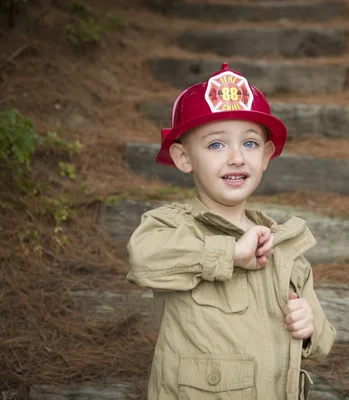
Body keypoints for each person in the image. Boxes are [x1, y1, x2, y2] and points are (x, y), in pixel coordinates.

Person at [126, 62, 337, 400]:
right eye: (216, 145)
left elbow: (322, 342)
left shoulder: (283, 247)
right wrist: (231, 254)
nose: (237, 158)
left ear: (266, 156)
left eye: (250, 144)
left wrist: (309, 326)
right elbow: (144, 258)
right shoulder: (172, 226)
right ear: (183, 158)